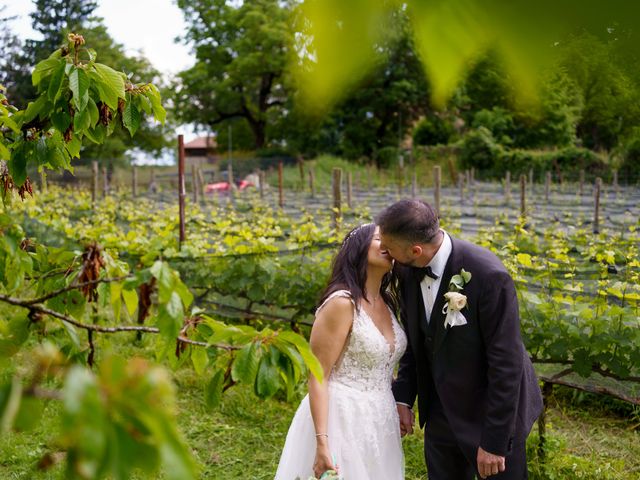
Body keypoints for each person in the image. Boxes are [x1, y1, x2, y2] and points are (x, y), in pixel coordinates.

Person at [376, 199, 543, 480]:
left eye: (388, 247)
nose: (384, 252)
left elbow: (507, 364)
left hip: (494, 411)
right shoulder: (406, 271)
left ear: (415, 250)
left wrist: (494, 441)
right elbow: (416, 342)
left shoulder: (489, 276)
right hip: (441, 409)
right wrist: (403, 397)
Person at [275, 223, 407, 480]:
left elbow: (379, 364)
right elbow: (318, 376)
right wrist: (323, 442)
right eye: (380, 239)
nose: (387, 246)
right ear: (358, 250)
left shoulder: (387, 302)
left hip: (381, 419)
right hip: (342, 418)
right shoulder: (341, 303)